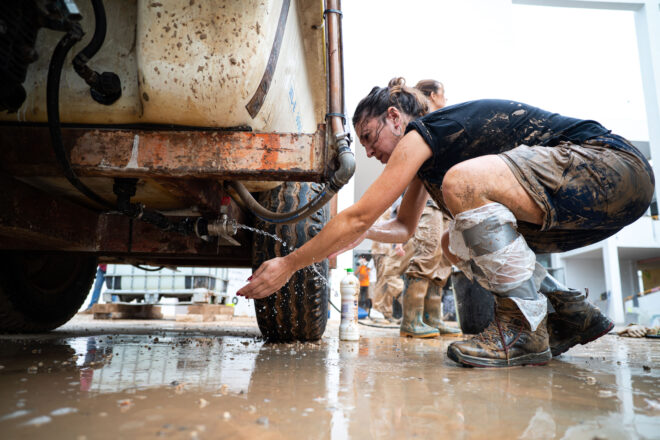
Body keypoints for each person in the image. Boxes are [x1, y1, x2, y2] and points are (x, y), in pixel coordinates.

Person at [238, 77, 654, 368]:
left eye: (369, 136)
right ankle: (570, 310)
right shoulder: (426, 161)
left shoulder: (425, 133)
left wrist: (289, 263)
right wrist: (359, 233)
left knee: (462, 184)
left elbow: (360, 213)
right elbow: (400, 228)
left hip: (611, 167)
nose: (368, 152)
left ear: (395, 118)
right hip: (591, 198)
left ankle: (523, 327)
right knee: (453, 243)